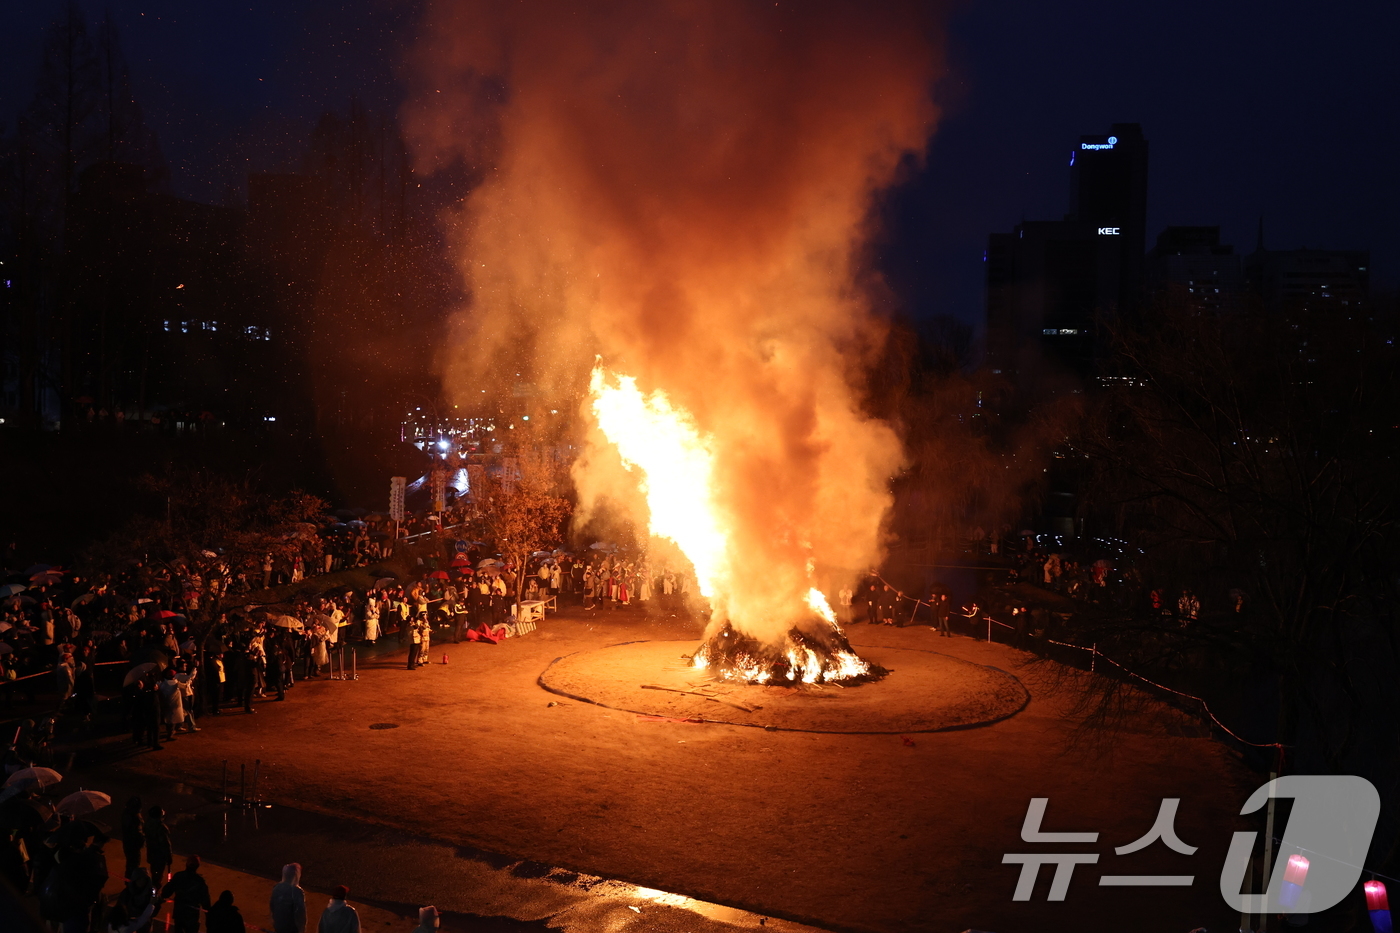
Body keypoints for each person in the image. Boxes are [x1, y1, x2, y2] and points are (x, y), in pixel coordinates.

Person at [160, 855, 212, 933]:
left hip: (179, 912)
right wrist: (209, 916)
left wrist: (161, 897)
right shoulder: (200, 881)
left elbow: (166, 892)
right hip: (192, 915)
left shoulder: (179, 876)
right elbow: (206, 901)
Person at [107, 866, 158, 933]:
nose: (141, 882)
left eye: (144, 879)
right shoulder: (127, 892)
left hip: (143, 920)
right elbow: (120, 908)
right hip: (128, 920)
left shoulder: (150, 894)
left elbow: (154, 911)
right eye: (139, 879)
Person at [269, 862, 307, 933]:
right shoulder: (297, 891)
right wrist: (302, 929)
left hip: (279, 925)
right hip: (291, 928)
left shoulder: (277, 888)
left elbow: (272, 906)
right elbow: (300, 914)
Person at [145, 806, 172, 887]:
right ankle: (155, 891)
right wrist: (169, 857)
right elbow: (165, 844)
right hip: (159, 856)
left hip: (151, 853)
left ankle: (153, 887)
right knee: (158, 876)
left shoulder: (148, 824)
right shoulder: (161, 828)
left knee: (154, 873)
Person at [121, 796, 145, 880]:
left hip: (127, 842)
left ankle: (128, 880)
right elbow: (138, 833)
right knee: (134, 863)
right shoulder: (136, 818)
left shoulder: (126, 814)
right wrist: (142, 841)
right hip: (134, 844)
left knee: (130, 863)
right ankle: (131, 881)